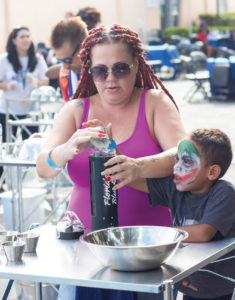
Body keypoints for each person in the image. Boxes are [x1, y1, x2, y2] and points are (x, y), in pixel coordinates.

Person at [36, 24, 186, 299]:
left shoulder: (153, 103)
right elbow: (43, 167)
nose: (110, 79)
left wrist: (138, 166)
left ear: (136, 65)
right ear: (89, 70)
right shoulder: (75, 110)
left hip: (146, 253)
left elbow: (182, 153)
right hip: (83, 252)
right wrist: (66, 149)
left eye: (120, 68)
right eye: (100, 70)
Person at [103, 128, 235, 300]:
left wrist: (159, 234)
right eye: (177, 159)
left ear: (212, 172)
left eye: (187, 162)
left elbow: (204, 233)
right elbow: (132, 177)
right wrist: (111, 148)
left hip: (218, 288)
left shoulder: (224, 192)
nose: (177, 167)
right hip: (188, 281)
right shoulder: (176, 188)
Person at [0, 26, 49, 142]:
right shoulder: (4, 59)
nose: (26, 39)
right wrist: (6, 86)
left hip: (31, 109)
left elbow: (46, 81)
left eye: (28, 36)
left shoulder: (38, 59)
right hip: (9, 109)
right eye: (22, 37)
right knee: (8, 144)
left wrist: (36, 82)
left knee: (29, 143)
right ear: (14, 40)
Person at [46, 17, 87, 102]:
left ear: (83, 47)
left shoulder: (103, 74)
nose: (64, 66)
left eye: (68, 60)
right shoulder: (67, 73)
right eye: (60, 60)